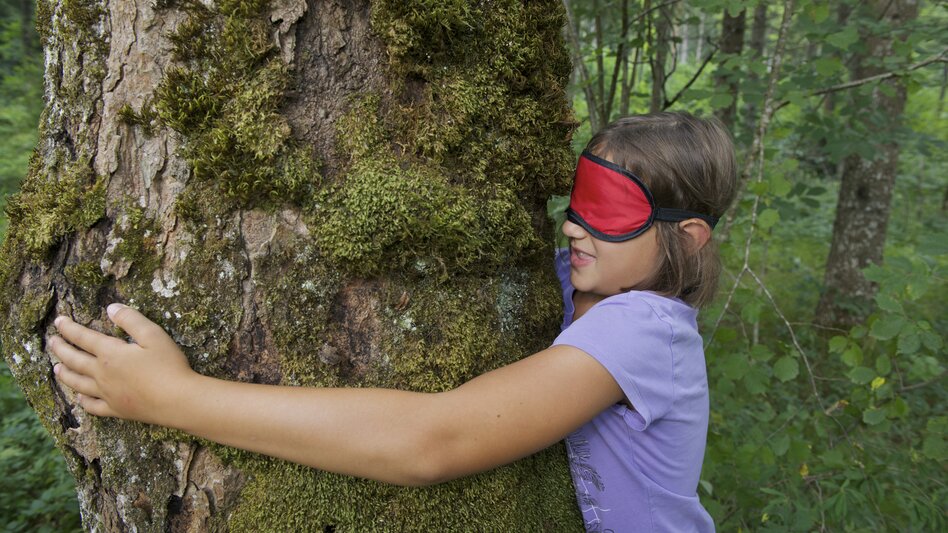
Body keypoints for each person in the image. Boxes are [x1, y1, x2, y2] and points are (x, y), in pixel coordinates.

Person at [48, 111, 737, 532]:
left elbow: (431, 442)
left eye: (610, 211)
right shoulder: (571, 278)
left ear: (690, 237)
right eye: (578, 198)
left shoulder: (648, 326)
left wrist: (176, 398)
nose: (574, 224)